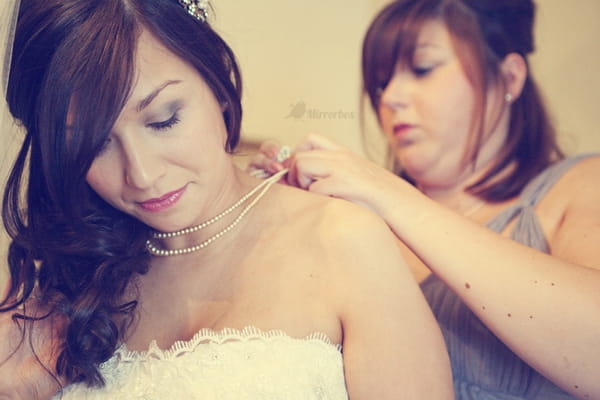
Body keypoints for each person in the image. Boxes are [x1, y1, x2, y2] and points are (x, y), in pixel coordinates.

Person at [0, 0, 454, 399]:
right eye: (94, 144)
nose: (142, 175)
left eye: (163, 120)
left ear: (216, 82)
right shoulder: (66, 284)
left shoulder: (342, 240)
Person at [249, 0, 600, 399]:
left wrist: (387, 192)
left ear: (509, 78)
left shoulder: (580, 184)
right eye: (381, 82)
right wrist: (281, 225)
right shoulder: (357, 222)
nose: (391, 98)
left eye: (422, 69)